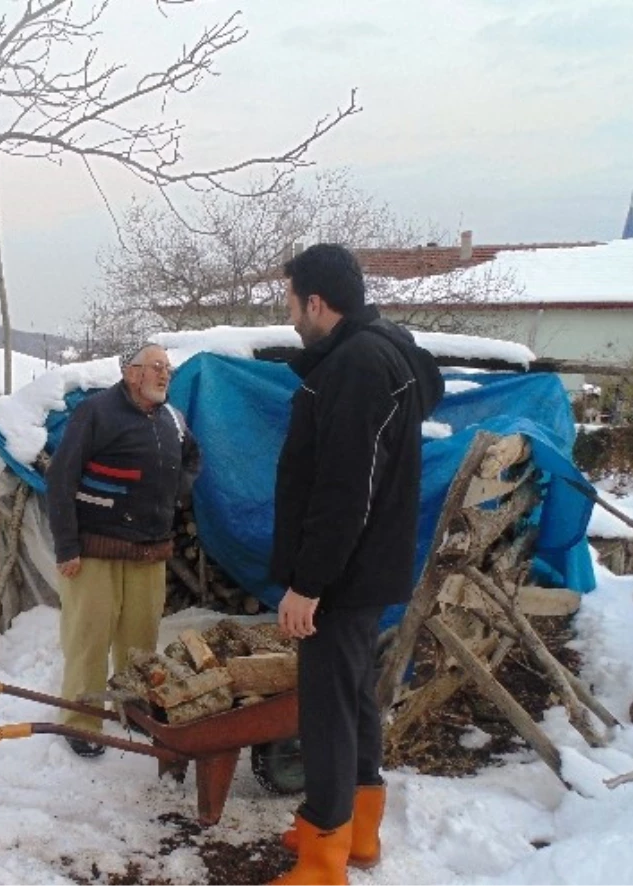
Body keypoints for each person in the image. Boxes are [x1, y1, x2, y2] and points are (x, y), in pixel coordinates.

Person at [268, 244, 443, 885]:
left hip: (342, 578)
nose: (288, 316)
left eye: (290, 301)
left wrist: (308, 584)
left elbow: (347, 488)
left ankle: (323, 860)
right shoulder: (379, 352)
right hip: (365, 571)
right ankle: (354, 831)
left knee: (327, 710)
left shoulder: (357, 366)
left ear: (316, 301)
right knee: (354, 701)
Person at [46, 342, 201, 757]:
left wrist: (174, 494)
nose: (164, 374)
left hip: (149, 551)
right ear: (132, 373)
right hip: (94, 550)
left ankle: (135, 713)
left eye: (167, 367)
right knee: (89, 638)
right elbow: (61, 478)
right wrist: (66, 546)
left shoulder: (173, 418)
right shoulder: (96, 412)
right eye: (156, 367)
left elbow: (192, 459)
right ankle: (82, 723)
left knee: (140, 641)